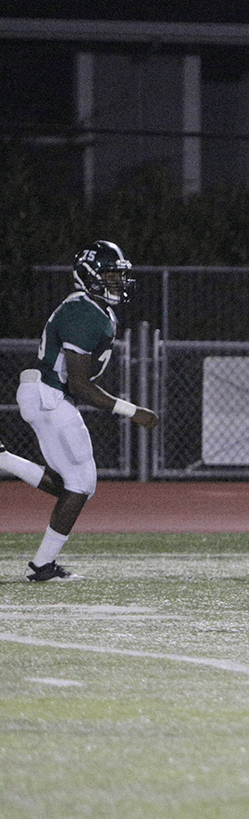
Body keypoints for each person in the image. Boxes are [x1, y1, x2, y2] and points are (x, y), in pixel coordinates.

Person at [1, 241, 159, 581]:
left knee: (72, 487)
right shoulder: (85, 312)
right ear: (89, 276)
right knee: (81, 484)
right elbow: (80, 384)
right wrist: (134, 412)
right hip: (50, 395)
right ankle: (42, 567)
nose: (118, 281)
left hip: (48, 394)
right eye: (111, 275)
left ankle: (4, 461)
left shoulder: (93, 309)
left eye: (120, 275)